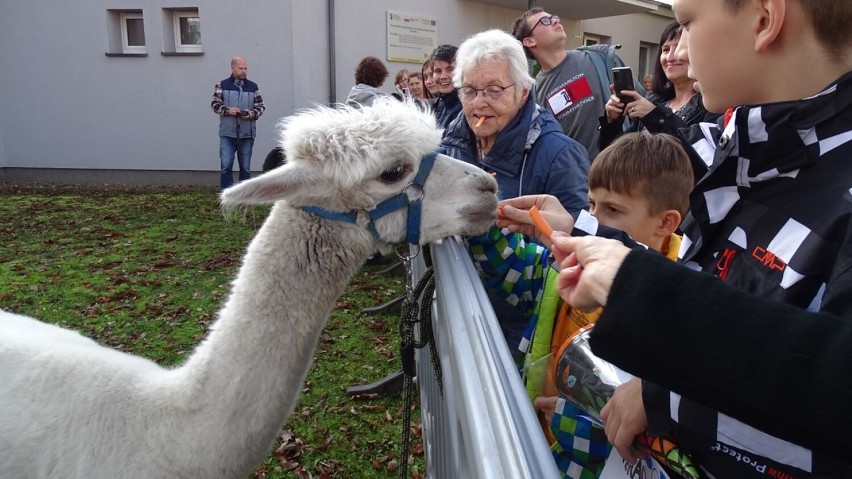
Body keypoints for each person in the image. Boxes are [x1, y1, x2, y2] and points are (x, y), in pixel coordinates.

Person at [497, 0, 852, 475]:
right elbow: (721, 296)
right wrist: (579, 227)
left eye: (686, 24)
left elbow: (829, 387)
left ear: (765, 20)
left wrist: (666, 392)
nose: (678, 49)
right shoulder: (758, 151)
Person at [468, 132, 694, 478]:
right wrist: (485, 222)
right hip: (533, 442)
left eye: (613, 210)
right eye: (591, 206)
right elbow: (514, 268)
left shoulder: (674, 310)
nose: (596, 221)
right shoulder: (568, 266)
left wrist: (567, 416)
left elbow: (642, 430)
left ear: (665, 223)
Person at [439, 29, 590, 354]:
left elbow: (574, 254)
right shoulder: (450, 145)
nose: (479, 102)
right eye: (469, 90)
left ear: (523, 92)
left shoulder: (559, 156)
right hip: (459, 307)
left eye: (494, 90)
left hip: (519, 334)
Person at [512, 8, 618, 160]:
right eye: (545, 21)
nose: (556, 21)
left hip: (618, 169)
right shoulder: (533, 96)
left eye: (554, 17)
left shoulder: (599, 58)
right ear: (529, 41)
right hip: (577, 177)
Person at [598, 20, 719, 151]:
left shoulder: (713, 106)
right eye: (666, 50)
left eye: (679, 48)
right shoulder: (655, 101)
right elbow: (614, 155)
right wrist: (612, 122)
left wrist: (655, 117)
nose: (670, 57)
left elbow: (703, 158)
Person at [211, 56, 265, 191]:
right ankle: (227, 197)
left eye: (245, 68)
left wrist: (251, 114)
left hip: (247, 134)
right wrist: (227, 111)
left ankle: (243, 198)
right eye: (240, 68)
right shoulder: (222, 85)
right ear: (233, 68)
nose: (244, 71)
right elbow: (214, 105)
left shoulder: (253, 87)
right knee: (226, 167)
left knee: (245, 169)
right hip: (227, 134)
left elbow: (261, 107)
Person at [430, 44, 462, 131]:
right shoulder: (437, 104)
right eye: (438, 71)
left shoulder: (467, 108)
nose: (443, 76)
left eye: (450, 69)